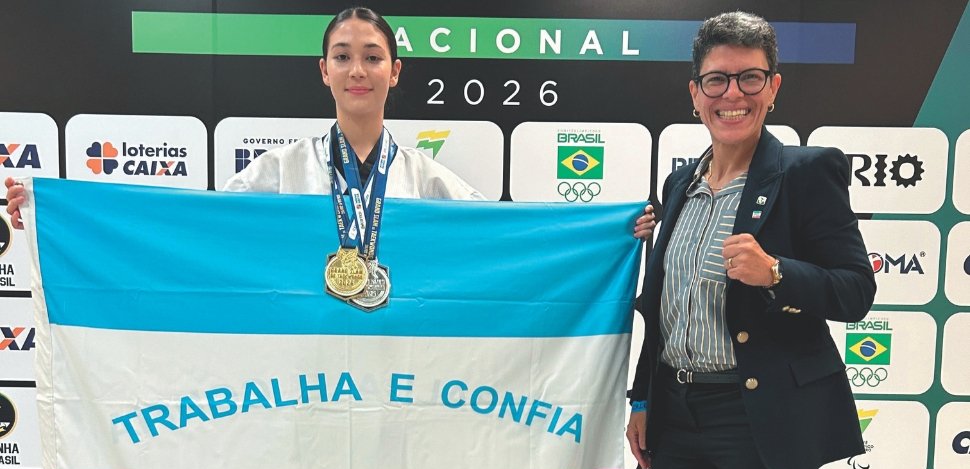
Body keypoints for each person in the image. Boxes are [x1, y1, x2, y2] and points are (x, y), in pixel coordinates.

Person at [6, 6, 656, 235]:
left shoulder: (428, 180)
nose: (358, 70)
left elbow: (502, 233)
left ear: (395, 72)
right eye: (343, 57)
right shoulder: (278, 171)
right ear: (323, 70)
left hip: (394, 359)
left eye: (373, 57)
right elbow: (193, 222)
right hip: (303, 358)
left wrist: (607, 227)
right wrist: (55, 205)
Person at [625, 11, 874, 469]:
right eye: (717, 80)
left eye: (750, 79)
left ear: (774, 88)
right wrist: (643, 398)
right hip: (677, 414)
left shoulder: (807, 171)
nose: (732, 95)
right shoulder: (679, 185)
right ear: (695, 93)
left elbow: (855, 291)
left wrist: (777, 273)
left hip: (757, 416)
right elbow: (663, 309)